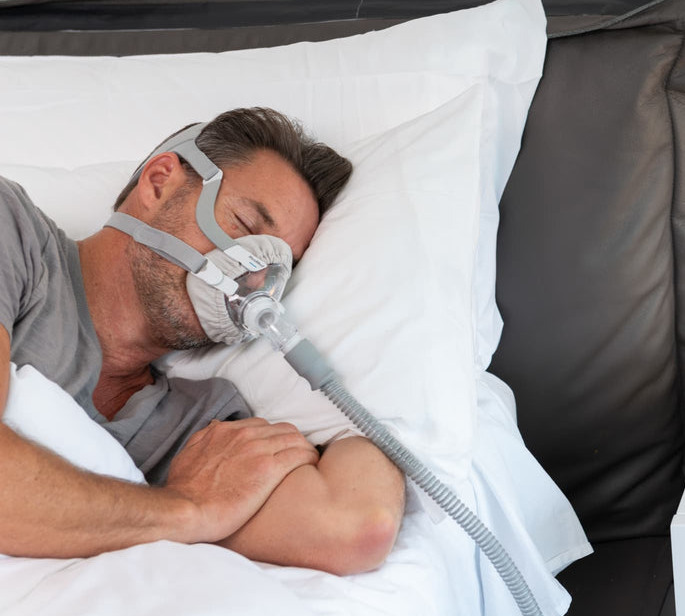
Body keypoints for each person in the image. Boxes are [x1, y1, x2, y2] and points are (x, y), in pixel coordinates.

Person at [0, 107, 405, 575]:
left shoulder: (200, 429)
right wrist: (186, 509)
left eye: (277, 267)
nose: (253, 276)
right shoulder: (15, 236)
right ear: (159, 182)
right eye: (247, 228)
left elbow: (354, 527)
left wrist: (380, 400)